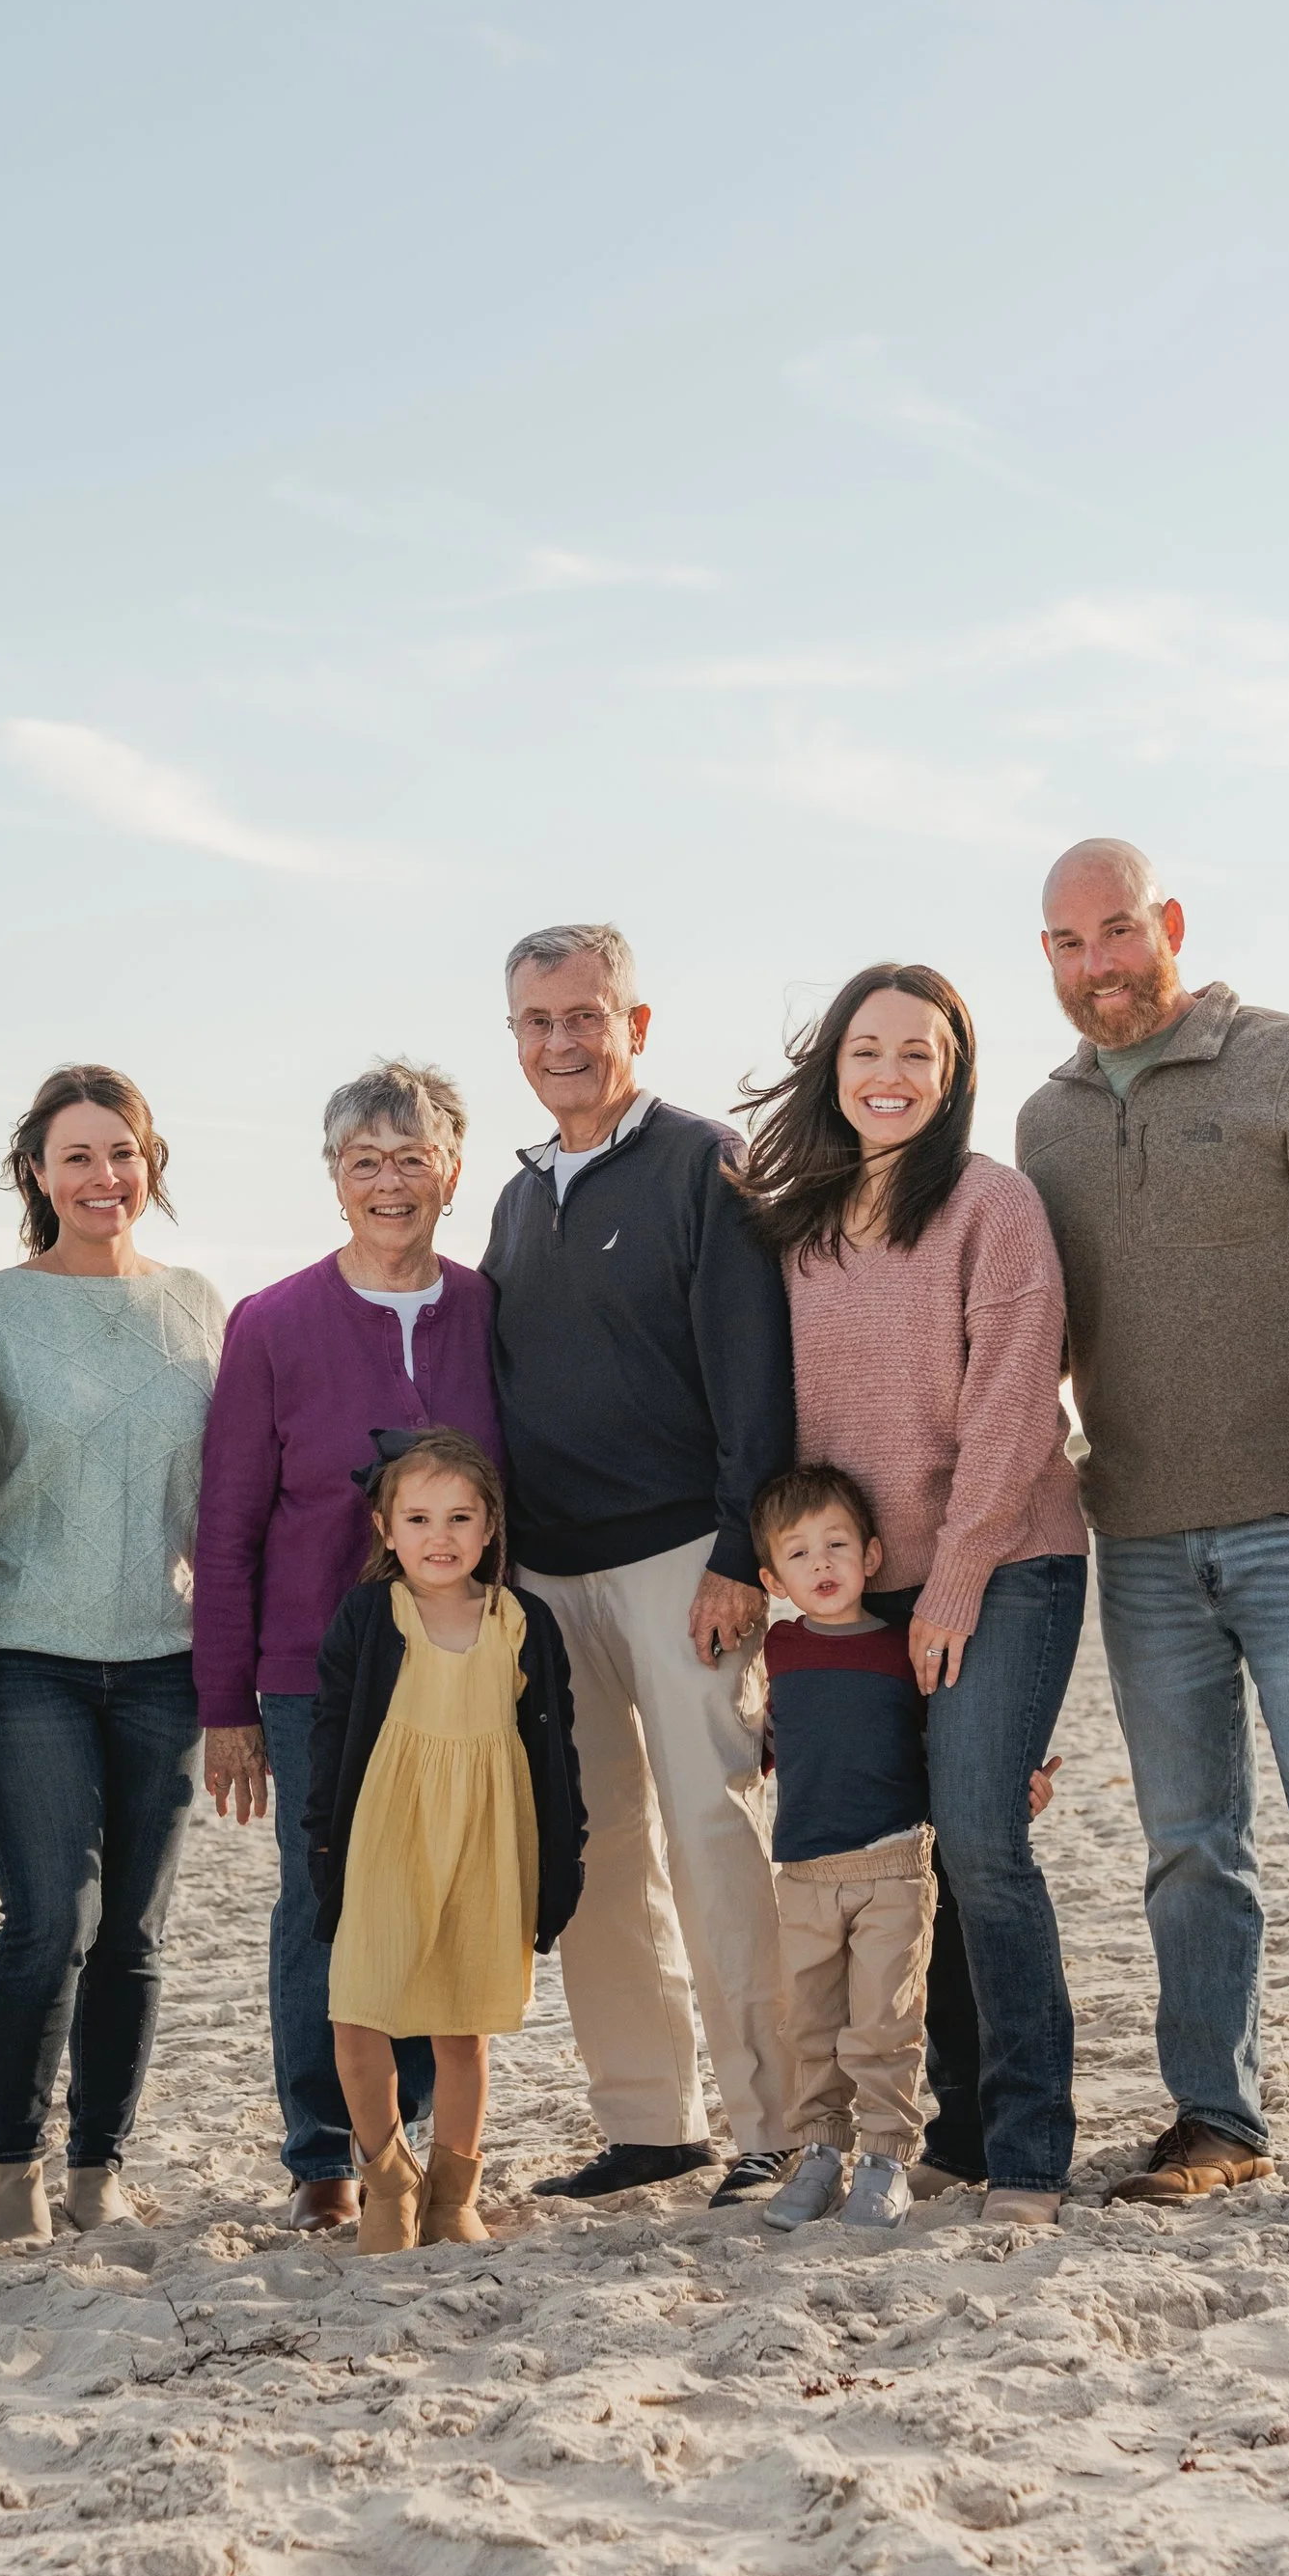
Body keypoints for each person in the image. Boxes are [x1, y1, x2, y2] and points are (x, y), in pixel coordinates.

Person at [1018, 838, 1289, 2234]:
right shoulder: (1045, 1124)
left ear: (1171, 925)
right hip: (1140, 1534)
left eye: (1119, 930)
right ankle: (1219, 2116)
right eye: (1070, 943)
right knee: (1189, 1844)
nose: (1100, 963)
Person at [731, 963, 1089, 2224]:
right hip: (858, 1589)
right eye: (867, 1049)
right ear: (835, 1064)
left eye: (918, 1055)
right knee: (906, 1851)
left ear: (953, 1076)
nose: (890, 1074)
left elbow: (1011, 1398)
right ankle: (961, 2131)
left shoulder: (994, 1205)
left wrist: (956, 1579)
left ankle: (1033, 2150)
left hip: (1008, 1562)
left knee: (984, 1839)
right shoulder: (802, 1217)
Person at [483, 922, 796, 2207]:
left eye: (585, 1016)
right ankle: (652, 2121)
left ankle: (775, 2117)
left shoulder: (701, 1162)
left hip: (683, 1558)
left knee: (716, 1832)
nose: (562, 1042)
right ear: (513, 1036)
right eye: (537, 1022)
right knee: (599, 1850)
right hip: (552, 1580)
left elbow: (756, 1370)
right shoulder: (514, 1193)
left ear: (636, 1024)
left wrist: (741, 1553)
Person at [194, 1062, 500, 2228]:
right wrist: (226, 1703)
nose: (388, 1182)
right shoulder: (270, 1324)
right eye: (363, 1161)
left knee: (438, 1898)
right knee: (324, 1905)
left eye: (410, 1158)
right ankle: (328, 2150)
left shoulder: (487, 1307)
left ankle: (420, 2138)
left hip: (459, 1665)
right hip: (312, 1674)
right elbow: (227, 1524)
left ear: (450, 1174)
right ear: (333, 1181)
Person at [0, 1067, 225, 2249]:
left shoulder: (201, 1306)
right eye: (76, 1156)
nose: (102, 1177)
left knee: (135, 1932)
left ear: (149, 1164)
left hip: (162, 1656)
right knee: (47, 1919)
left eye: (121, 1153)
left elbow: (225, 1501)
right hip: (24, 1652)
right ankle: (10, 2164)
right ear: (36, 1172)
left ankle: (96, 2168)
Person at [309, 1431, 587, 2254]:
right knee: (358, 2018)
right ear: (385, 1529)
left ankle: (452, 2193)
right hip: (387, 1840)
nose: (441, 1537)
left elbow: (554, 1749)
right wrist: (321, 1845)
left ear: (490, 1527)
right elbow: (331, 1739)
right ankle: (390, 2182)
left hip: (485, 1841)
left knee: (461, 2030)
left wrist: (562, 1858)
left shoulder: (519, 1621)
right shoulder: (369, 1616)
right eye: (419, 1517)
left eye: (460, 1517)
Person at [750, 1466, 936, 2236]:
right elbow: (771, 1734)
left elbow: (943, 1741)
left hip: (893, 1862)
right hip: (804, 1870)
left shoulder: (904, 1645)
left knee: (885, 2024)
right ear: (772, 1578)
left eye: (836, 1546)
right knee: (810, 2024)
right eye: (799, 1554)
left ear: (873, 1554)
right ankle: (821, 2154)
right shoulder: (778, 1647)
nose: (820, 1564)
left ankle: (887, 2158)